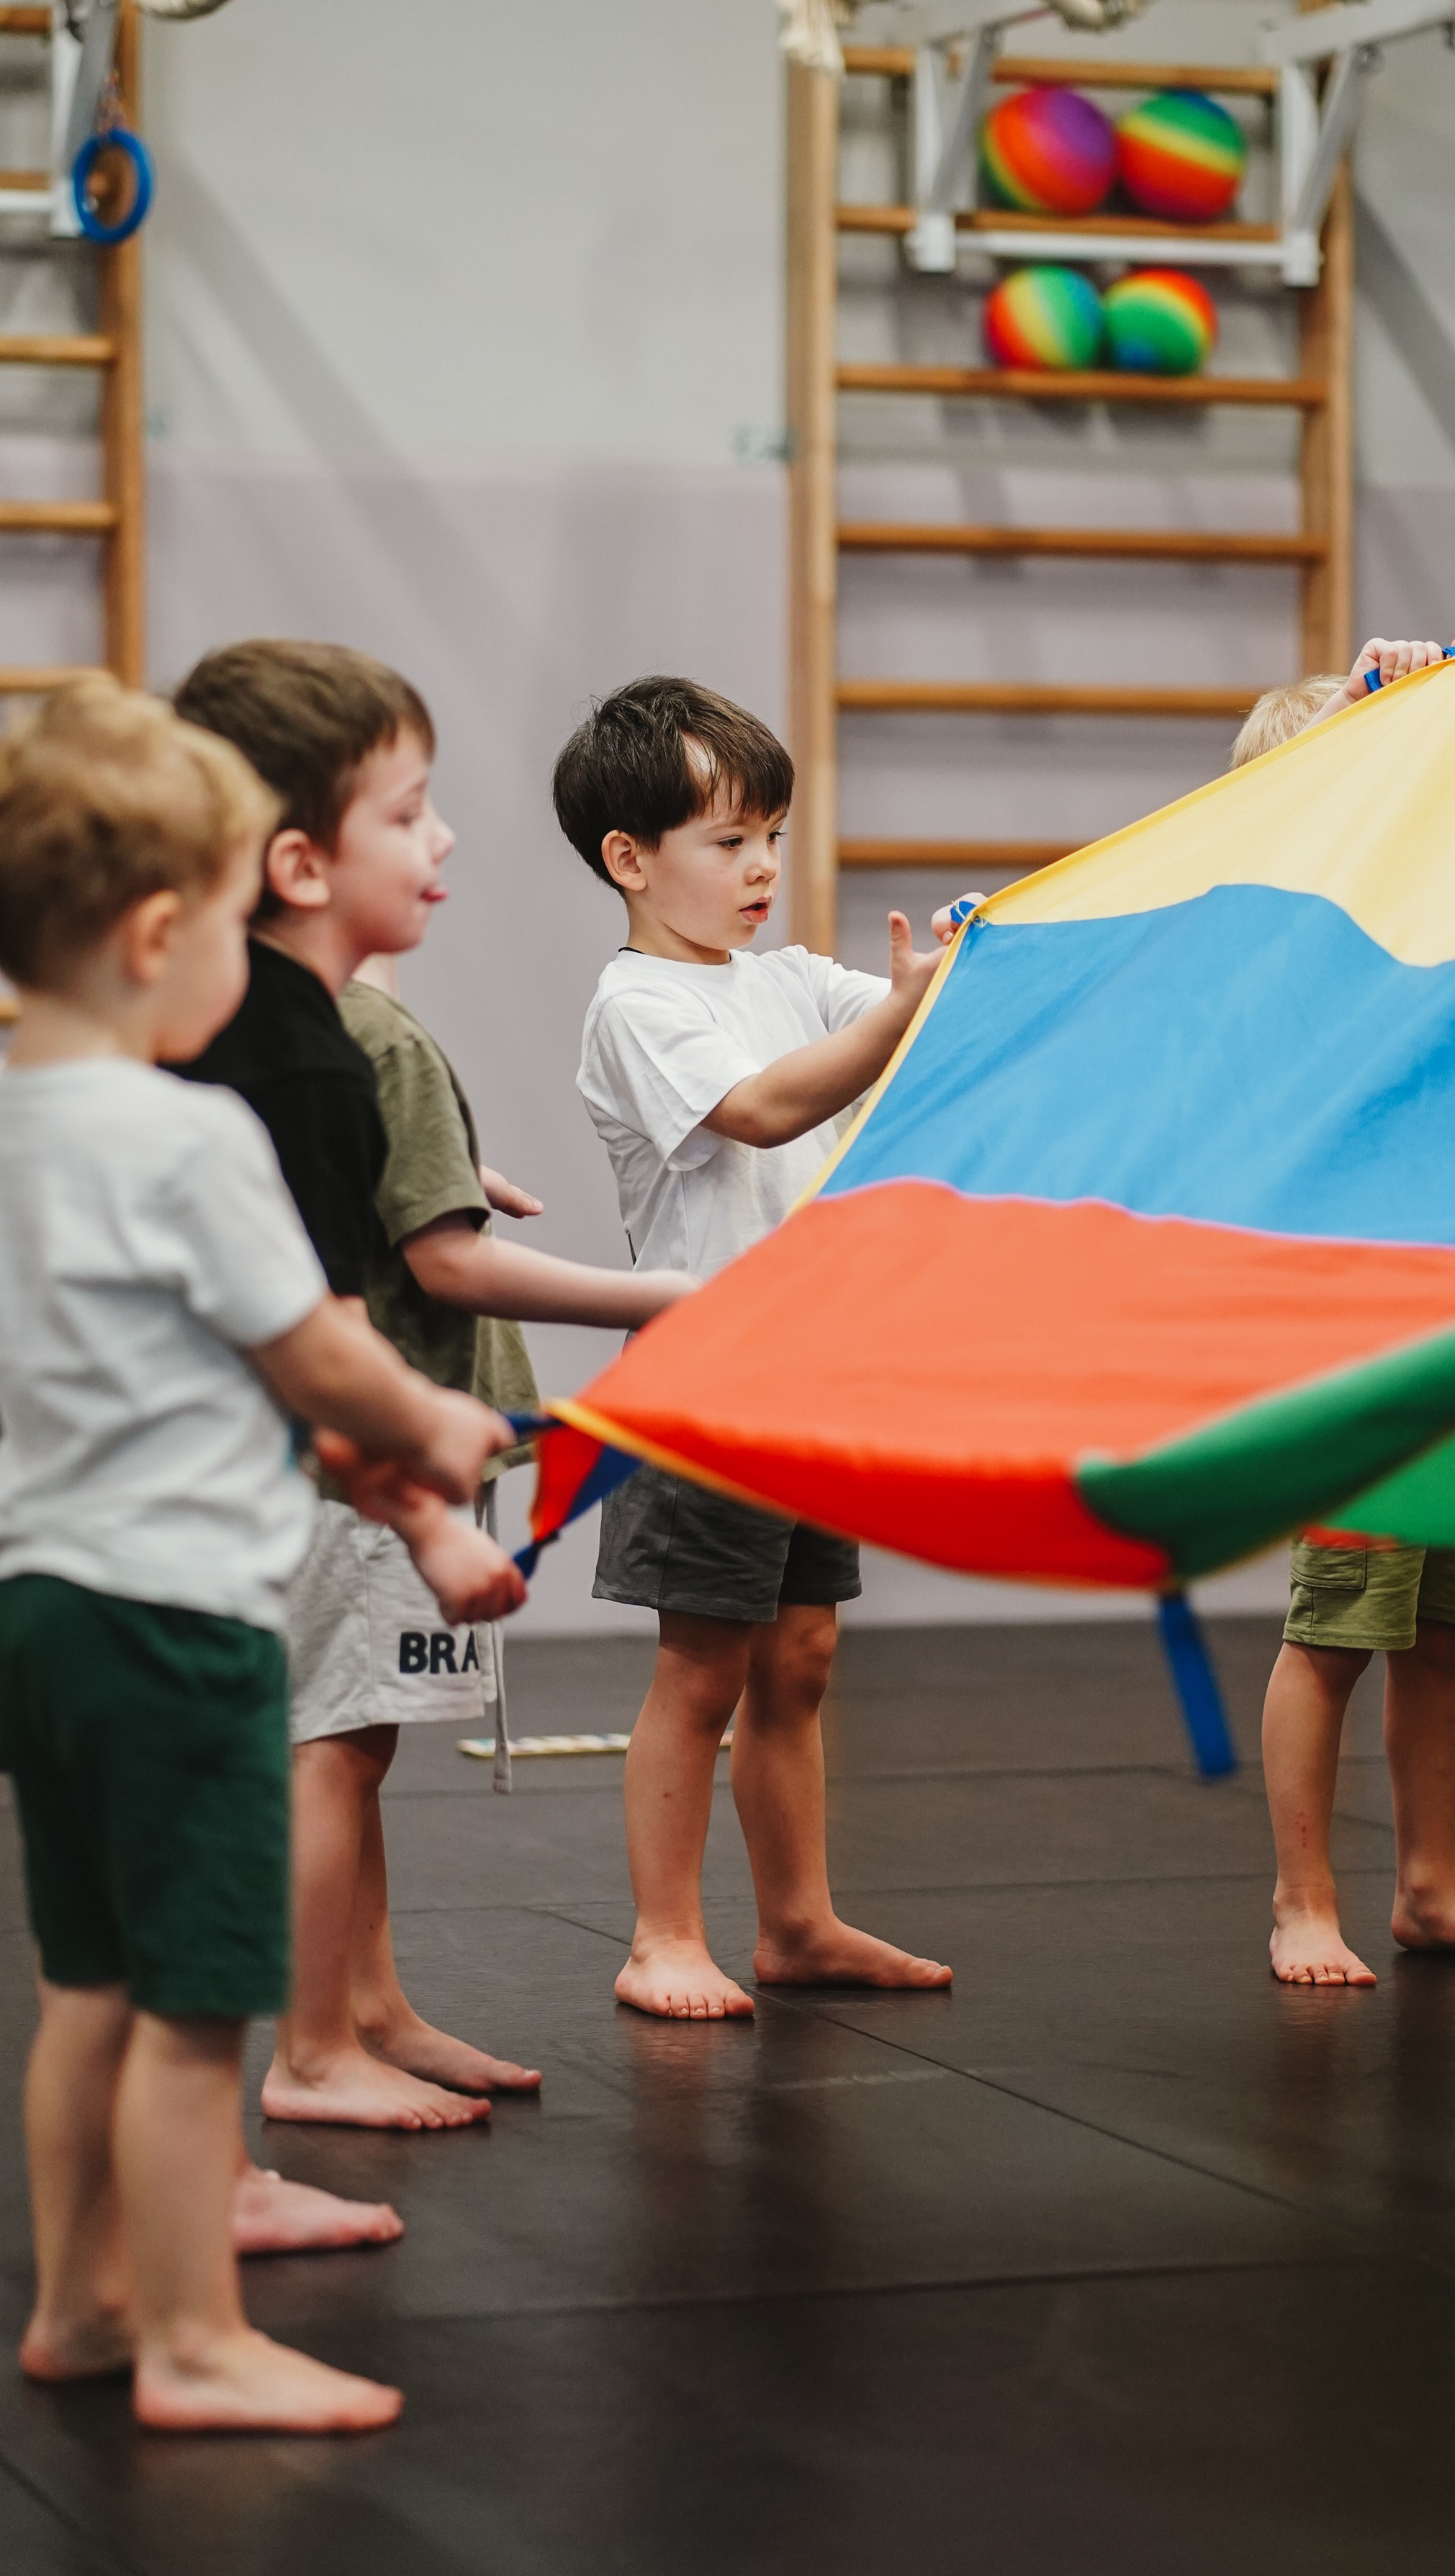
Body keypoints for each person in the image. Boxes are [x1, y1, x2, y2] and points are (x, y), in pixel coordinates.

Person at [0, 680, 518, 2433]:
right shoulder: (192, 1134)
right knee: (192, 2006)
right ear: (160, 935)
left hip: (39, 1610)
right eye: (233, 922)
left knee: (87, 1982)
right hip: (180, 1622)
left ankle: (80, 2303)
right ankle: (195, 2339)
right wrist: (439, 1428)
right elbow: (318, 1354)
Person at [174, 639, 684, 2129]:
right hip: (290, 1479)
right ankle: (312, 2048)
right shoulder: (320, 1050)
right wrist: (427, 1500)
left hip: (268, 1474)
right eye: (406, 814)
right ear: (298, 862)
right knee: (325, 1751)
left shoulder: (280, 1027)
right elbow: (343, 1326)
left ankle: (363, 2011)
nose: (444, 839)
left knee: (344, 1738)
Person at [553, 674, 958, 2021]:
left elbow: (917, 1016)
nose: (763, 868)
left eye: (772, 836)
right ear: (630, 859)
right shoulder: (637, 1006)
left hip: (807, 1378)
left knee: (801, 1657)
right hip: (708, 1383)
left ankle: (798, 1923)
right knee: (703, 1666)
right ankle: (662, 1936)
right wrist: (898, 1012)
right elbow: (769, 1108)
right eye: (729, 841)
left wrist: (977, 955)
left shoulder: (787, 978)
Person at [1235, 638, 1455, 1988]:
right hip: (1354, 1343)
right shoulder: (1291, 953)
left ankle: (1430, 1887)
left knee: (1441, 1631)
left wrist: (1435, 695)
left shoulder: (1441, 930)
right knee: (1337, 1630)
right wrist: (1363, 719)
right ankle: (1300, 1899)